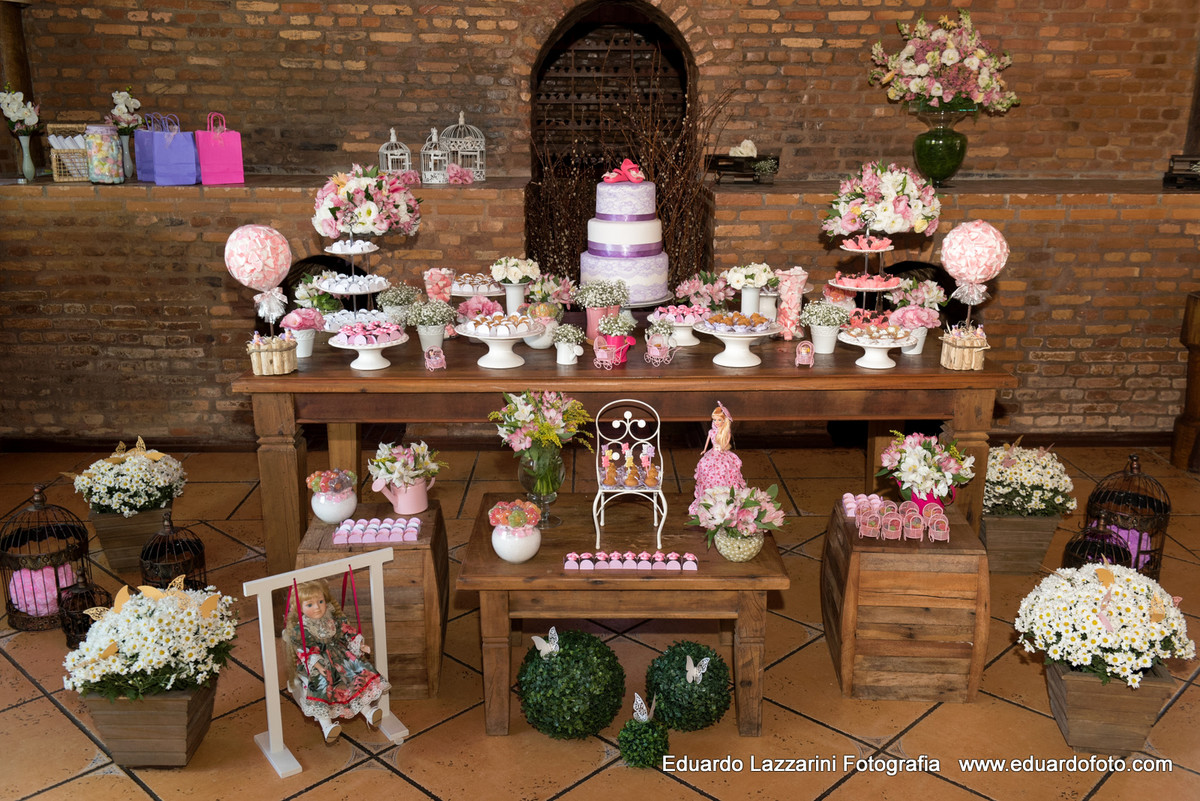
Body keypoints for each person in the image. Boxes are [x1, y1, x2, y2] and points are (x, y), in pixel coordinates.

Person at [282, 579, 390, 743]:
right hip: (319, 661)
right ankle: (327, 726)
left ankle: (368, 711)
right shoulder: (301, 629)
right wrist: (316, 663)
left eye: (320, 601)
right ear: (300, 608)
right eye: (309, 605)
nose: (317, 607)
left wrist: (359, 645)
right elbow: (303, 648)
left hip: (339, 656)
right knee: (322, 683)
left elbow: (346, 631)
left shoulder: (332, 619)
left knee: (355, 675)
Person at [689, 402, 746, 516]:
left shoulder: (725, 432)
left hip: (721, 453)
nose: (716, 422)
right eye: (714, 420)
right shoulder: (712, 431)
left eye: (719, 420)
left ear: (724, 420)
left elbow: (726, 443)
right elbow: (707, 442)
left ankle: (726, 500)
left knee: (725, 470)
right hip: (712, 453)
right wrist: (704, 450)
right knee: (707, 469)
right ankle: (708, 499)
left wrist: (723, 449)